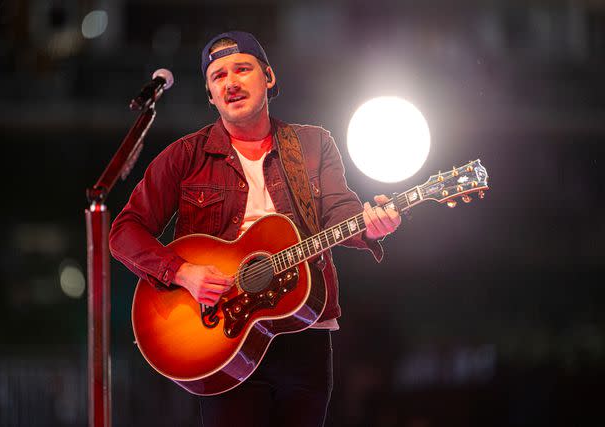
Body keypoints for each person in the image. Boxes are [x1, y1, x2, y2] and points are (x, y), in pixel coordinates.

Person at [109, 30, 401, 427]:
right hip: (220, 334)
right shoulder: (185, 156)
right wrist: (182, 272)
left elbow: (340, 214)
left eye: (242, 69)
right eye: (218, 76)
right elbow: (124, 231)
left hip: (304, 330)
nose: (230, 82)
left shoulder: (313, 145)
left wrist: (372, 226)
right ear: (211, 95)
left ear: (269, 77)